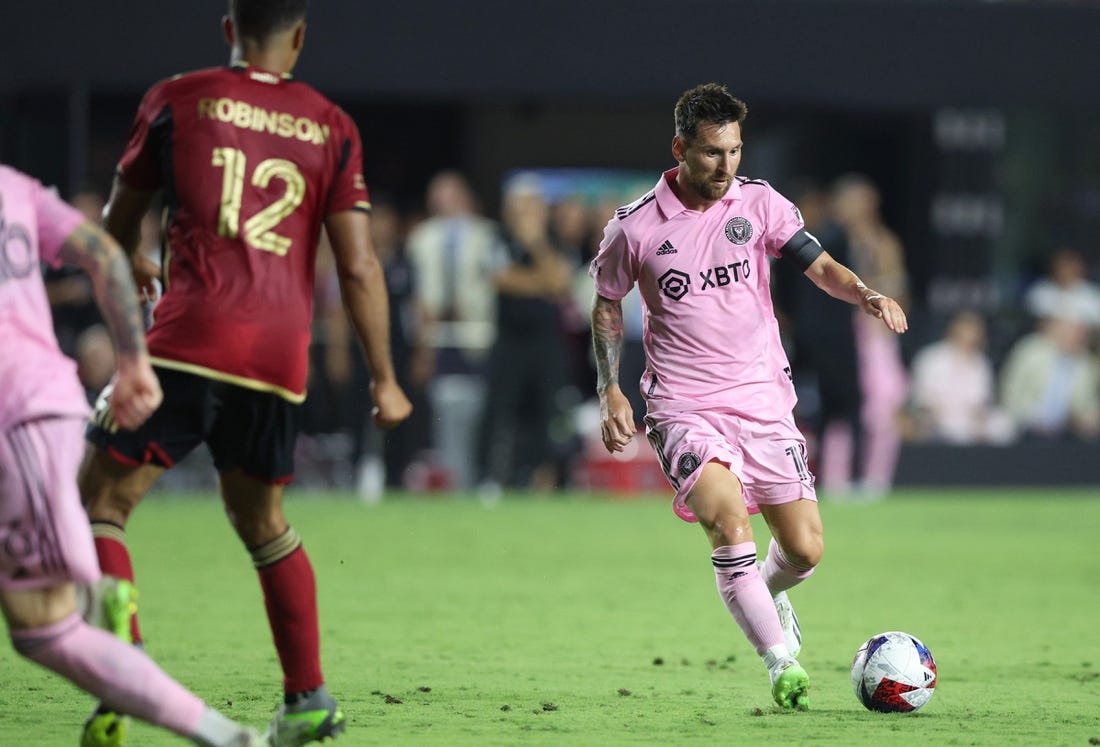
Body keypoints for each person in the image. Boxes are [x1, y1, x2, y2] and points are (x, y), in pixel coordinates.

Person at [77, 2, 413, 745]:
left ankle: (126, 671)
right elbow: (357, 265)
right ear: (298, 37)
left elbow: (117, 217)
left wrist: (127, 253)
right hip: (276, 360)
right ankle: (309, 697)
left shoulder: (176, 97)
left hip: (187, 340)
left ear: (229, 29)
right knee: (263, 523)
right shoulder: (331, 124)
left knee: (100, 497)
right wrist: (384, 376)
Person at [588, 83, 908, 710]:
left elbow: (818, 265)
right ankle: (779, 661)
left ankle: (767, 595)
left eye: (734, 151)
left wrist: (865, 293)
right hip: (683, 406)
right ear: (680, 148)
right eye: (711, 153)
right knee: (727, 520)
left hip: (763, 400)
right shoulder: (634, 228)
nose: (725, 166)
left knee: (807, 550)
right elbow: (606, 303)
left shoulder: (758, 203)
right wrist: (610, 389)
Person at [0, 163, 265, 746]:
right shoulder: (15, 188)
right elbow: (104, 251)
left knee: (45, 625)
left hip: (15, 413)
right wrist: (132, 359)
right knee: (39, 624)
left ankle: (96, 594)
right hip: (39, 406)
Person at [406, 170, 500, 489]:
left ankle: (481, 476)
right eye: (438, 195)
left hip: (479, 333)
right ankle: (453, 477)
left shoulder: (488, 234)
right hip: (439, 336)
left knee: (479, 410)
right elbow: (418, 294)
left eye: (450, 193)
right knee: (444, 411)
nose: (444, 201)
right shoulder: (422, 237)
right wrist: (422, 344)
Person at [830, 174, 911, 498]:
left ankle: (876, 480)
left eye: (858, 201)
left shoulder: (883, 242)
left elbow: (899, 292)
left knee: (883, 409)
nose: (851, 208)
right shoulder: (828, 242)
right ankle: (836, 480)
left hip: (875, 335)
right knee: (841, 404)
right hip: (842, 334)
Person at [906, 310, 1014, 444]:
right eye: (966, 329)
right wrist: (934, 413)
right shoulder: (931, 357)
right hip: (937, 419)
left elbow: (983, 401)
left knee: (1003, 424)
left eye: (974, 330)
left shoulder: (981, 363)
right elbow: (921, 396)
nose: (969, 335)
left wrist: (979, 418)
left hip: (969, 421)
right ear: (954, 329)